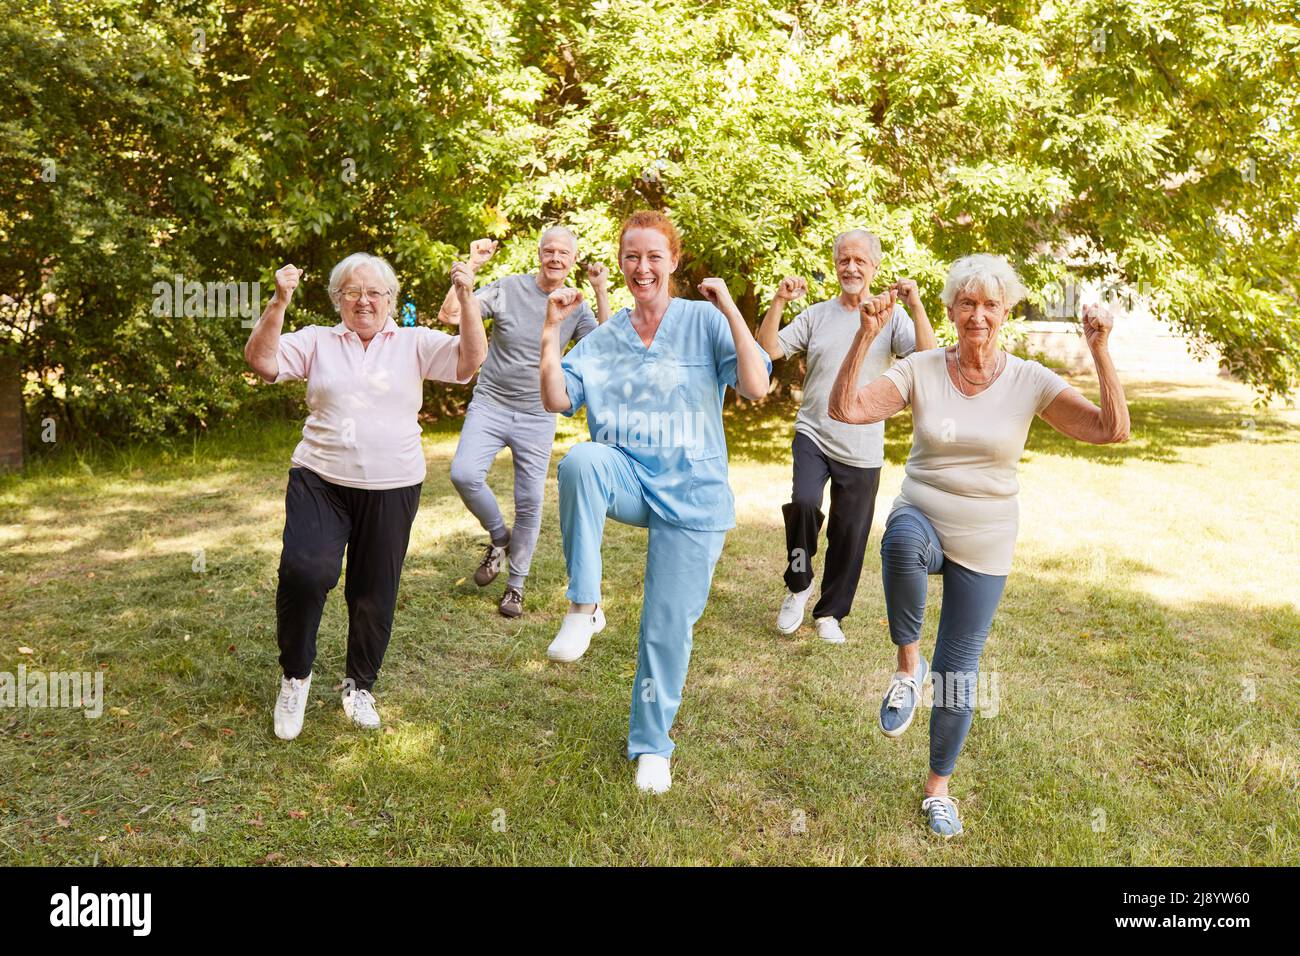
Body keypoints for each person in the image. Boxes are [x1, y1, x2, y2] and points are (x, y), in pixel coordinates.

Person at [828, 253, 1130, 836]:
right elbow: (846, 409)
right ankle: (906, 668)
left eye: (991, 304)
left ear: (1007, 312)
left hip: (987, 535)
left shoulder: (1029, 379)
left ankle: (938, 787)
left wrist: (1099, 350)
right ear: (949, 310)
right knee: (898, 539)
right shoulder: (920, 368)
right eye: (967, 303)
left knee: (959, 674)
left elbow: (1110, 429)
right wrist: (866, 335)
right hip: (925, 509)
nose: (979, 316)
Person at [538, 210, 772, 793]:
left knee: (664, 628)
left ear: (673, 261)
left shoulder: (701, 321)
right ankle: (584, 607)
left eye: (653, 257)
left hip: (693, 492)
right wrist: (549, 334)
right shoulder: (607, 336)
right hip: (631, 477)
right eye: (631, 257)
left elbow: (757, 385)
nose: (642, 268)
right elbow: (556, 398)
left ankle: (651, 746)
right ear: (620, 264)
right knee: (581, 461)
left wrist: (731, 311)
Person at [244, 253, 487, 740]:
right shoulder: (317, 340)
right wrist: (279, 300)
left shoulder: (414, 342)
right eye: (352, 292)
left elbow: (468, 361)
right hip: (321, 479)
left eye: (375, 292)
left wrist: (465, 296)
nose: (364, 301)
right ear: (337, 299)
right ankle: (295, 676)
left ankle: (359, 686)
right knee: (305, 572)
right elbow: (261, 361)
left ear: (391, 299)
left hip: (393, 485)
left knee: (374, 592)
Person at [756, 230, 935, 644]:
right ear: (835, 265)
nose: (850, 268)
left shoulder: (891, 316)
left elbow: (927, 359)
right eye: (843, 261)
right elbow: (768, 350)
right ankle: (799, 581)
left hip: (863, 442)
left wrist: (916, 304)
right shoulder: (817, 314)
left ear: (874, 267)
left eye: (859, 261)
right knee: (803, 503)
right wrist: (779, 302)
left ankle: (831, 613)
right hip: (814, 432)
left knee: (849, 532)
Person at [438, 228, 610, 617]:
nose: (554, 258)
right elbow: (450, 315)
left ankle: (515, 586)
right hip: (491, 402)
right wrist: (471, 266)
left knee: (530, 500)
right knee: (464, 474)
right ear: (538, 254)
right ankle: (500, 536)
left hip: (538, 413)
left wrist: (600, 290)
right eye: (548, 250)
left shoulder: (575, 304)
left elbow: (607, 347)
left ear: (572, 259)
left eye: (563, 253)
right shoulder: (507, 288)